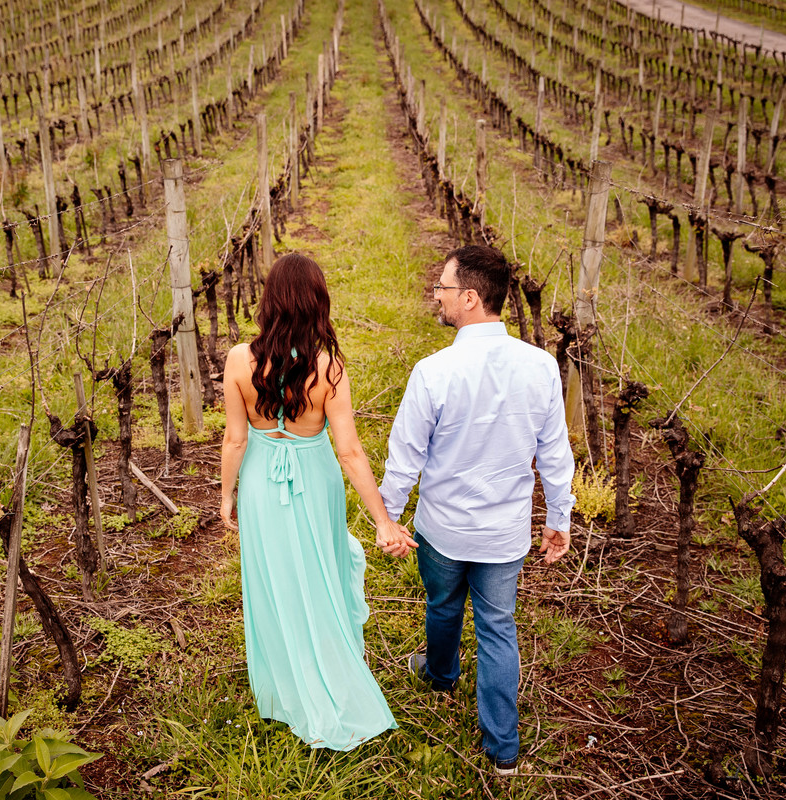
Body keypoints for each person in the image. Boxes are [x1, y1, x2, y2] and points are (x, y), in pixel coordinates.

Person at [378, 244, 575, 775]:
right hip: (504, 533)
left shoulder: (433, 371)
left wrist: (389, 518)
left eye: (442, 288)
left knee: (442, 606)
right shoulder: (540, 367)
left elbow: (405, 457)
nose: (437, 297)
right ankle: (503, 749)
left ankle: (441, 675)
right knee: (497, 625)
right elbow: (555, 452)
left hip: (442, 529)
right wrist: (560, 517)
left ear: (468, 298)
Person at [219, 252, 414, 750]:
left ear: (270, 301)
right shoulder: (329, 369)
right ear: (317, 303)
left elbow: (235, 440)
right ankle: (330, 666)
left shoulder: (240, 360)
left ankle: (284, 690)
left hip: (263, 481)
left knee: (273, 579)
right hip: (315, 476)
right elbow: (348, 450)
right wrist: (382, 520)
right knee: (321, 573)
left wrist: (227, 495)